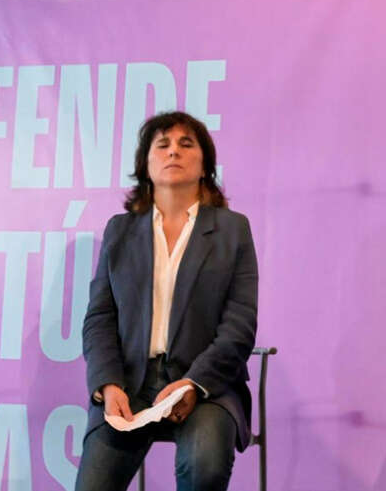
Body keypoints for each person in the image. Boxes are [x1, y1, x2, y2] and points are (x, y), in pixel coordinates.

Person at [76, 111, 258, 491]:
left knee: (204, 467)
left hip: (207, 385)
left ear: (205, 164)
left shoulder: (232, 230)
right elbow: (99, 318)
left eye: (186, 144)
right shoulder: (120, 231)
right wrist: (108, 385)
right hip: (129, 384)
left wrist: (195, 383)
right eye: (163, 145)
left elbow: (239, 325)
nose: (173, 151)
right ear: (145, 164)